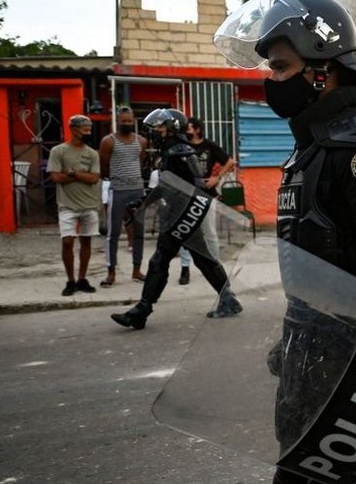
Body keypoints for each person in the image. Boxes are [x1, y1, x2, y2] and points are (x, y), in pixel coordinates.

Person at [214, 0, 356, 484]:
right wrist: (294, 342)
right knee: (290, 483)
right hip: (306, 351)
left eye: (282, 66)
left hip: (347, 368)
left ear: (323, 70)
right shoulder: (311, 150)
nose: (272, 79)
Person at [110, 108, 242, 330]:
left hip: (182, 216)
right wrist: (144, 203)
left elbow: (195, 182)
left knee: (159, 261)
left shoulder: (179, 151)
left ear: (171, 129)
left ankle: (142, 311)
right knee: (202, 259)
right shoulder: (172, 150)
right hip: (180, 214)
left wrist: (149, 203)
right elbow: (169, 185)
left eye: (160, 126)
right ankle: (229, 300)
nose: (156, 131)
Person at [176, 116, 236, 285]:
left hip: (206, 194)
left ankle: (217, 266)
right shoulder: (182, 146)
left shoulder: (209, 146)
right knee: (186, 232)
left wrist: (216, 178)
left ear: (197, 129)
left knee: (210, 232)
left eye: (188, 128)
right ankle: (185, 268)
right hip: (187, 193)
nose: (185, 131)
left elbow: (230, 161)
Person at [47, 115, 102, 296]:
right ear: (73, 129)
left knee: (86, 241)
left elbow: (94, 178)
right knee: (67, 241)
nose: (87, 132)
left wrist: (70, 173)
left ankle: (82, 278)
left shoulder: (92, 153)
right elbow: (55, 177)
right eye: (84, 129)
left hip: (89, 204)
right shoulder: (58, 151)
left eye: (89, 129)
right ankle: (70, 280)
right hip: (67, 205)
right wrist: (81, 175)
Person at [99, 106, 147, 287]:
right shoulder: (108, 141)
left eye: (129, 120)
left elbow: (140, 162)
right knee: (113, 233)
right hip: (117, 190)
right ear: (117, 121)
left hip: (137, 190)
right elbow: (103, 166)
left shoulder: (142, 141)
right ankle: (111, 272)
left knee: (139, 232)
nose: (126, 123)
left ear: (133, 120)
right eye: (123, 121)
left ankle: (137, 270)